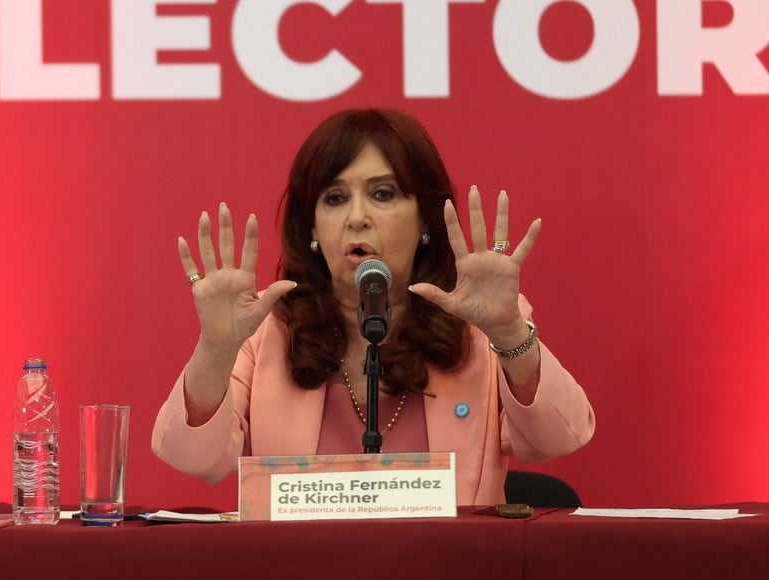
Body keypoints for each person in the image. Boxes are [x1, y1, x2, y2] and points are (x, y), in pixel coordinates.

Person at [151, 108, 595, 506]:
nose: (356, 217)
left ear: (425, 218)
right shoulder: (268, 332)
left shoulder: (477, 326)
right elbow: (193, 457)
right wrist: (215, 347)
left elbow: (561, 435)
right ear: (312, 228)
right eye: (335, 198)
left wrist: (509, 333)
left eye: (382, 194)